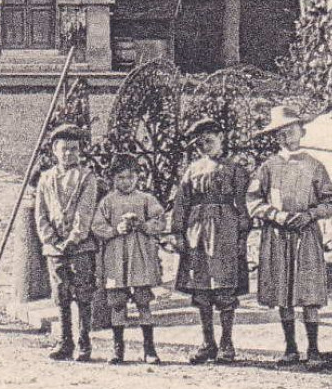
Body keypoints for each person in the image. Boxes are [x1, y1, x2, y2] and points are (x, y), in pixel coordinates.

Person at [247, 104, 332, 367]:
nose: (287, 137)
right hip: (278, 235)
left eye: (291, 130)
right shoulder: (268, 167)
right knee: (283, 292)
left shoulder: (314, 166)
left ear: (302, 131)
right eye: (280, 133)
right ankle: (290, 348)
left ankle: (313, 349)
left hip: (306, 235)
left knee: (308, 292)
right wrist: (277, 215)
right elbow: (253, 201)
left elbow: (331, 201)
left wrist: (310, 215)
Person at [170, 117, 251, 364]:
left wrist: (242, 235)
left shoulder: (235, 170)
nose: (205, 147)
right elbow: (181, 204)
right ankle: (208, 343)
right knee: (202, 289)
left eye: (209, 140)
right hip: (197, 233)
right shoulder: (192, 171)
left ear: (221, 138)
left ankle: (227, 343)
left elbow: (244, 205)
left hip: (225, 231)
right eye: (199, 144)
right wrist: (178, 233)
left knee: (224, 289)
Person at [33, 124, 101, 361]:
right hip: (54, 248)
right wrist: (50, 239)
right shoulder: (45, 178)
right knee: (60, 293)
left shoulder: (87, 177)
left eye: (74, 149)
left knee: (83, 293)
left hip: (80, 246)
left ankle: (84, 341)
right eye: (64, 149)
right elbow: (40, 213)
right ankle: (65, 341)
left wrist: (73, 239)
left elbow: (85, 212)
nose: (69, 154)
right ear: (54, 150)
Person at [91, 156, 166, 365]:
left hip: (140, 255)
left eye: (131, 177)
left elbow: (160, 220)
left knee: (143, 300)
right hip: (117, 256)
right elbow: (97, 226)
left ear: (138, 177)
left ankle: (149, 348)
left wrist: (143, 225)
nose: (126, 182)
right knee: (117, 303)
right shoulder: (108, 201)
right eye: (121, 177)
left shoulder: (145, 199)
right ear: (113, 178)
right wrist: (115, 230)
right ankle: (117, 348)